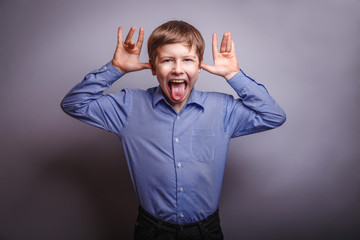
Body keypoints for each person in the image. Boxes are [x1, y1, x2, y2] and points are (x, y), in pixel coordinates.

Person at [61, 20, 286, 240]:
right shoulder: (129, 106)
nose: (178, 69)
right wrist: (115, 69)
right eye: (167, 60)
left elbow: (273, 115)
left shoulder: (222, 108)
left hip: (205, 231)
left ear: (199, 65)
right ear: (152, 66)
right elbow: (74, 104)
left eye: (187, 60)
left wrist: (233, 75)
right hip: (152, 230)